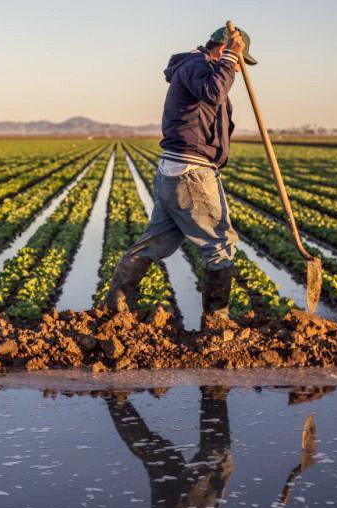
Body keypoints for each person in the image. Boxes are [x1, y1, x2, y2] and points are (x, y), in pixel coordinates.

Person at [103, 25, 257, 328]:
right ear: (221, 49)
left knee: (155, 241)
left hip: (176, 171)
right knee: (220, 243)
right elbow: (214, 93)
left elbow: (216, 107)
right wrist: (229, 59)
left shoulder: (201, 70)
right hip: (191, 173)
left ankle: (115, 307)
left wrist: (228, 62)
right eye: (238, 60)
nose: (239, 68)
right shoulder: (198, 67)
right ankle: (217, 321)